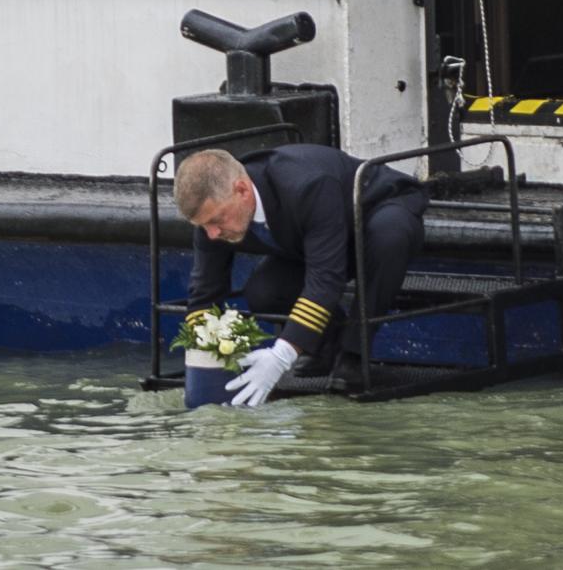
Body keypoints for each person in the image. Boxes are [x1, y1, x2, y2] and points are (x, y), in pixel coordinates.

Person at [174, 144, 429, 406]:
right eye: (204, 226)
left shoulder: (306, 185)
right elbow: (205, 290)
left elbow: (326, 279)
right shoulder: (213, 218)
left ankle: (354, 353)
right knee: (264, 291)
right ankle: (326, 345)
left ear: (242, 190)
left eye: (217, 221)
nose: (212, 234)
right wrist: (201, 371)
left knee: (389, 237)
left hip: (375, 211)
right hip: (315, 239)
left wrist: (282, 355)